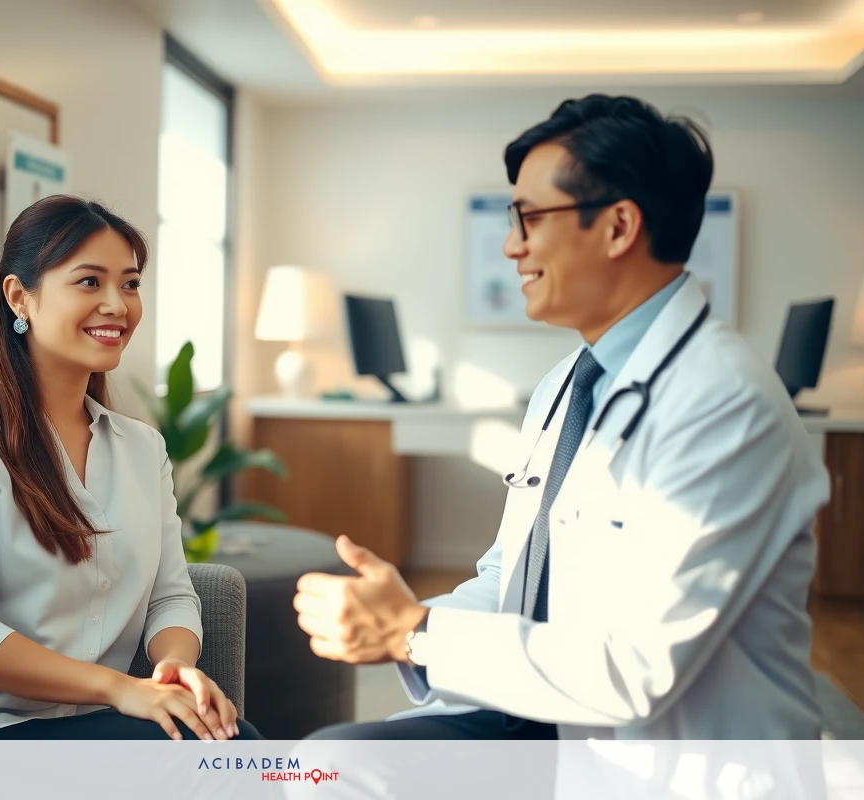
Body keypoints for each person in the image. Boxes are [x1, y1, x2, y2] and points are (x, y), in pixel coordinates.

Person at [293, 95, 830, 742]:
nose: (511, 246)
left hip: (668, 762)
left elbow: (638, 673)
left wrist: (414, 634)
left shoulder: (724, 404)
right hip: (544, 720)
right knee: (327, 763)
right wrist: (401, 620)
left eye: (529, 218)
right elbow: (510, 576)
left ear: (618, 227)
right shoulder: (566, 384)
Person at [0, 196, 259, 763]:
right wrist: (122, 689)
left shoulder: (142, 449)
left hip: (82, 729)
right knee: (230, 757)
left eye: (129, 284)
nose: (116, 305)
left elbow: (171, 595)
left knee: (232, 748)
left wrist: (173, 667)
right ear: (18, 296)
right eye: (88, 281)